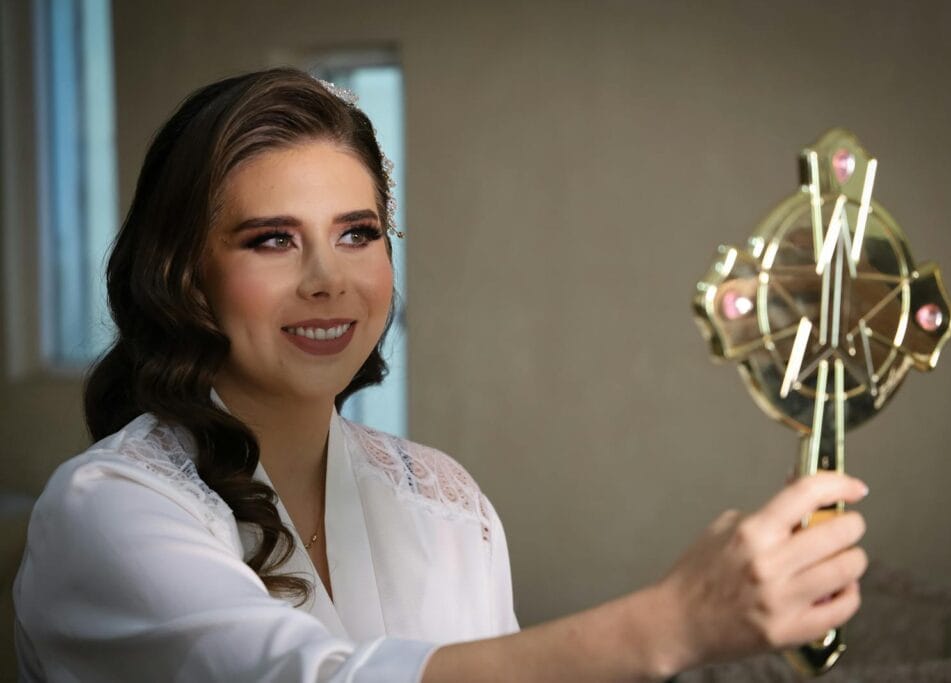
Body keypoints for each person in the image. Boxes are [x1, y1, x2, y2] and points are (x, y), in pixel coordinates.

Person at [12, 67, 868, 682]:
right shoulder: (107, 512)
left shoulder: (447, 502)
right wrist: (671, 623)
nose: (328, 279)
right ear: (186, 277)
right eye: (272, 239)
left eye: (357, 233)